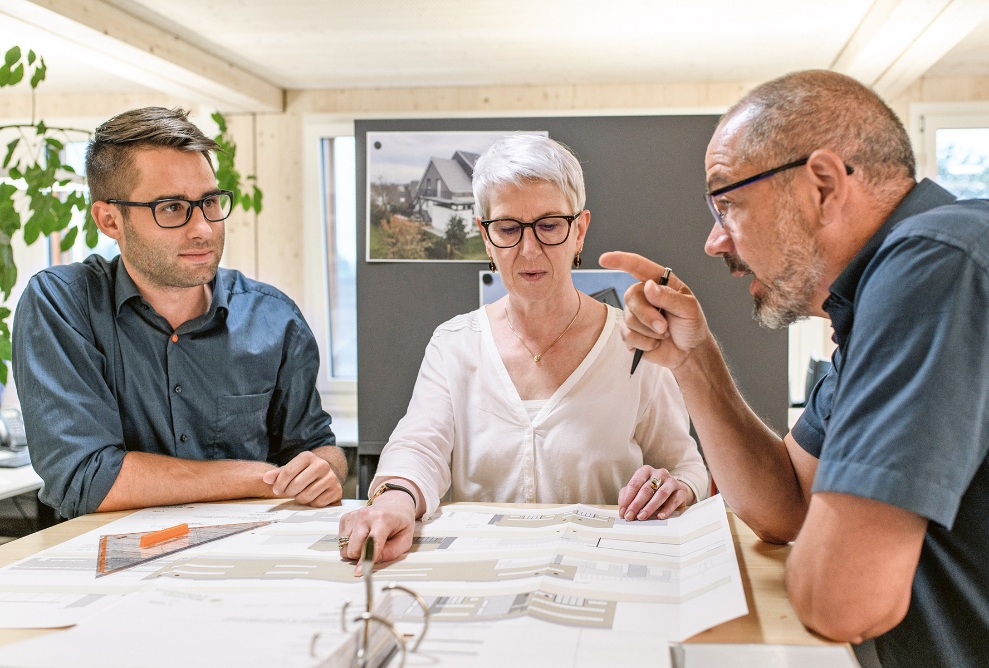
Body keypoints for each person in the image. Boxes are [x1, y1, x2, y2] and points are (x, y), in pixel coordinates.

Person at [600, 69, 989, 667]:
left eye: (726, 202)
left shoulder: (933, 262)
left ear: (824, 186)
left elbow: (842, 600)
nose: (714, 242)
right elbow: (786, 504)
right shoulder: (877, 297)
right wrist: (691, 358)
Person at [339, 134, 708, 564]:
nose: (529, 250)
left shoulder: (636, 345)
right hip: (483, 574)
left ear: (580, 231)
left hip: (598, 572)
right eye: (509, 229)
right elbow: (420, 446)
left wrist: (676, 488)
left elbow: (687, 466)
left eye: (549, 226)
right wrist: (393, 501)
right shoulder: (455, 344)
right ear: (485, 236)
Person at [11, 107, 347, 520]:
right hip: (111, 565)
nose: (203, 228)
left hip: (246, 558)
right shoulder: (63, 304)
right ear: (110, 219)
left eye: (209, 201)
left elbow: (316, 445)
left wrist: (324, 470)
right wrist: (264, 478)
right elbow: (86, 479)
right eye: (171, 207)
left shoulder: (274, 318)